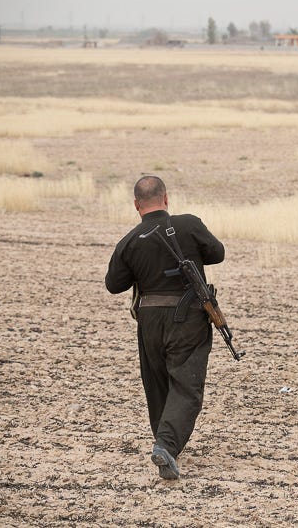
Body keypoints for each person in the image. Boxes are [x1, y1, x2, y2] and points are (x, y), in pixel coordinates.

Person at [105, 176, 225, 479]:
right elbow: (217, 253)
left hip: (149, 320)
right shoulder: (188, 224)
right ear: (166, 198)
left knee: (156, 382)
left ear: (136, 205)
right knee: (186, 383)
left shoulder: (130, 240)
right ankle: (167, 446)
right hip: (187, 317)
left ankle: (164, 440)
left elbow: (113, 285)